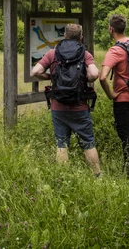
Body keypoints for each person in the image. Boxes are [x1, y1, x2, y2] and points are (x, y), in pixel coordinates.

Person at [31, 23, 101, 177]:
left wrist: (50, 77)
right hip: (79, 106)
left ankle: (63, 178)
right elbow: (95, 74)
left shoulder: (53, 53)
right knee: (88, 142)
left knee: (61, 143)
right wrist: (86, 78)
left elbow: (35, 71)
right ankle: (97, 176)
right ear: (80, 38)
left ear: (64, 36)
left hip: (58, 106)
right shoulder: (85, 54)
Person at [99, 13, 129, 177]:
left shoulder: (116, 50)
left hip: (122, 99)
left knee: (126, 134)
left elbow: (102, 76)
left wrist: (111, 94)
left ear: (111, 29)